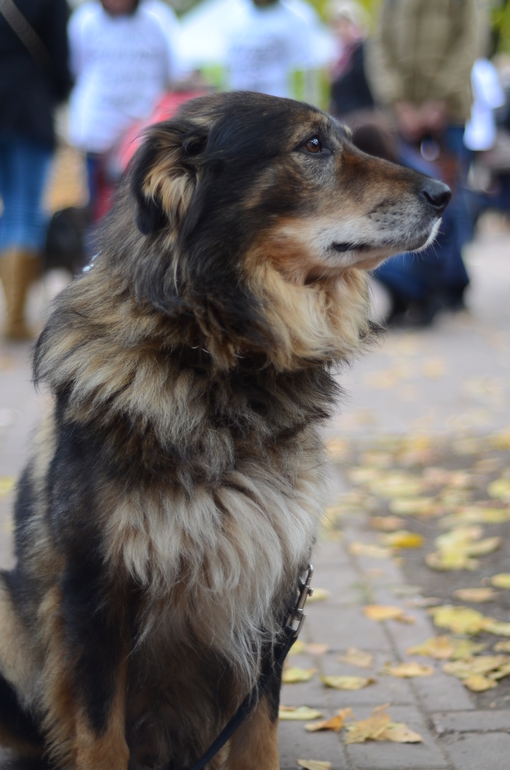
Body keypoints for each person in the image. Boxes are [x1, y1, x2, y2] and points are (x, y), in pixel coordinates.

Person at [365, 0, 480, 325]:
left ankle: (444, 289)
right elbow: (380, 49)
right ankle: (407, 291)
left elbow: (469, 44)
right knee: (390, 202)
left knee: (449, 200)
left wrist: (438, 102)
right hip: (400, 114)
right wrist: (398, 103)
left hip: (449, 111)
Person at [68, 0, 184, 221]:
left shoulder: (158, 19)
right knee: (99, 209)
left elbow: (174, 72)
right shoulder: (85, 20)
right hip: (98, 131)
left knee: (139, 210)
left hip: (143, 132)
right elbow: (79, 69)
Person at [0, 0, 72, 340]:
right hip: (30, 108)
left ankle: (13, 313)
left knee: (9, 211)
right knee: (25, 212)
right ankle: (15, 319)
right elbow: (61, 62)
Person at [327, 0, 374, 120]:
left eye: (342, 25)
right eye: (335, 26)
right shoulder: (342, 56)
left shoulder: (365, 51)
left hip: (363, 118)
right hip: (345, 118)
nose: (338, 31)